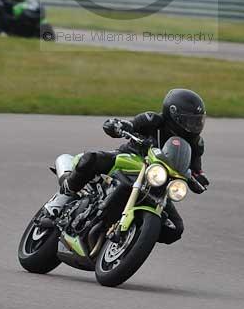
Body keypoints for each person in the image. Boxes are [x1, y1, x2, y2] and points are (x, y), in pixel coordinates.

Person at [61, 88, 209, 244]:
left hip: (158, 181)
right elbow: (131, 125)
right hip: (130, 159)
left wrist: (199, 179)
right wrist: (119, 126)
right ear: (174, 115)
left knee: (176, 229)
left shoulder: (196, 143)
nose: (195, 126)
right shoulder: (153, 120)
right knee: (90, 159)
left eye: (198, 121)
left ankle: (136, 234)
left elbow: (196, 168)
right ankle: (65, 193)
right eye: (190, 121)